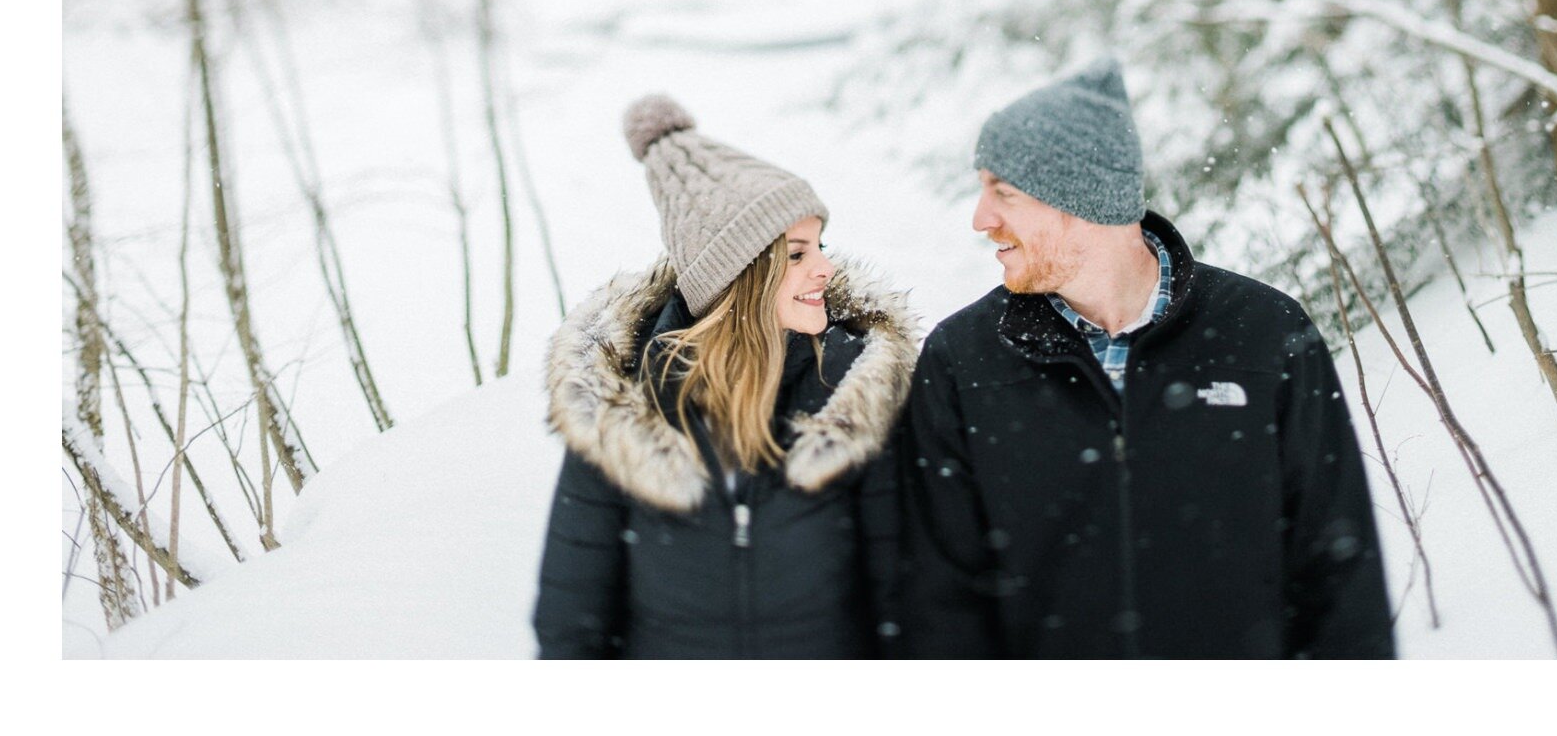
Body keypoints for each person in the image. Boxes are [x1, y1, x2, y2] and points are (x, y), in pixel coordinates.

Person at [899, 58, 1395, 659]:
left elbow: (1340, 577)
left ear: (1081, 198)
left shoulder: (1263, 335)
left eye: (1003, 192)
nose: (982, 219)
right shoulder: (964, 361)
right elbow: (943, 603)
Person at [534, 94, 918, 658]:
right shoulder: (621, 408)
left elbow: (905, 606)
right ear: (736, 278)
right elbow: (572, 627)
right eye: (796, 254)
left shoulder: (856, 392)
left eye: (820, 247)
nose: (825, 268)